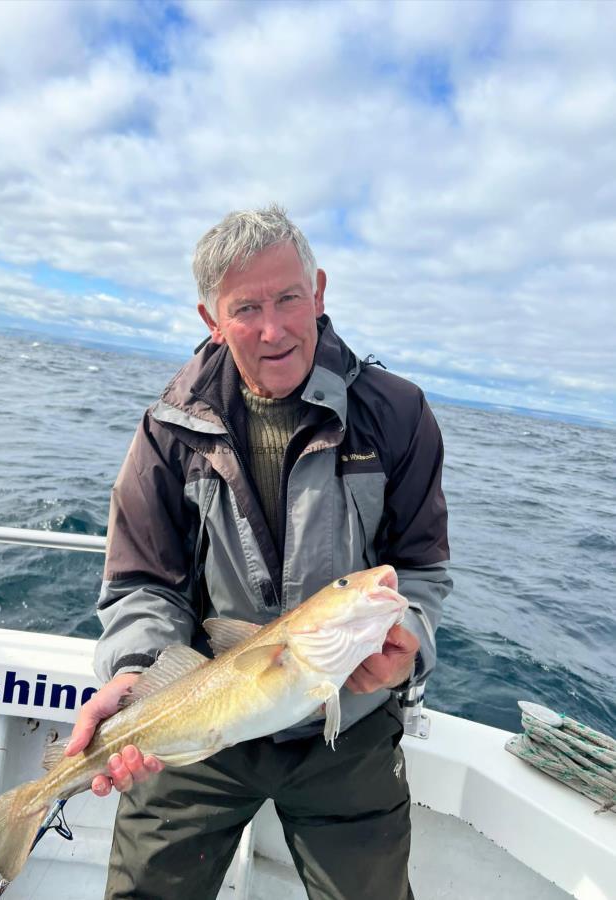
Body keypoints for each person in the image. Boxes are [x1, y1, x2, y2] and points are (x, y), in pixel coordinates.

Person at [66, 205, 451, 900]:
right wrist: (135, 672)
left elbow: (418, 572)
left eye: (287, 299)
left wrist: (407, 645)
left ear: (320, 292)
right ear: (210, 318)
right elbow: (142, 583)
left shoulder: (397, 414)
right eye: (245, 308)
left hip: (348, 727)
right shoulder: (167, 428)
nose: (272, 329)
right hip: (207, 717)